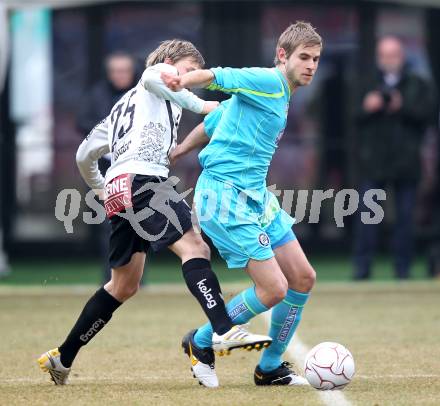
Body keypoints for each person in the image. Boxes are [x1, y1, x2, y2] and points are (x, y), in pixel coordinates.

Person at [38, 39, 271, 386]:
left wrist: (102, 189)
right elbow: (155, 76)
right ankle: (223, 329)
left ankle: (62, 356)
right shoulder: (157, 74)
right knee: (195, 247)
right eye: (189, 70)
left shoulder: (121, 108)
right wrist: (207, 106)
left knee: (123, 285)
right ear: (168, 61)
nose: (189, 78)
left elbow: (84, 154)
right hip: (143, 178)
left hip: (120, 187)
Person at [162, 22, 321, 387]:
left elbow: (216, 119)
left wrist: (181, 150)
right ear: (282, 56)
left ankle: (269, 368)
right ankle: (201, 342)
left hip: (255, 196)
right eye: (303, 57)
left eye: (315, 59)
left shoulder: (274, 95)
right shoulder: (268, 81)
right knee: (274, 289)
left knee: (302, 277)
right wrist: (184, 82)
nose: (311, 65)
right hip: (225, 197)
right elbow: (220, 76)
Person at [353, 36, 435, 280]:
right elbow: (351, 116)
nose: (389, 60)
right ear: (379, 58)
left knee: (406, 219)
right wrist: (367, 107)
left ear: (402, 57)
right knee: (368, 219)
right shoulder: (366, 83)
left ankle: (403, 270)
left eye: (394, 55)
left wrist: (403, 106)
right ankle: (362, 269)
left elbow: (429, 115)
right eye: (384, 56)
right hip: (373, 164)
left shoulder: (418, 85)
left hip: (406, 163)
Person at [77, 51, 138, 283]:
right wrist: (106, 139)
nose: (120, 75)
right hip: (106, 168)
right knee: (110, 223)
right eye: (116, 71)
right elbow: (81, 122)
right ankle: (111, 277)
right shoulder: (97, 95)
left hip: (136, 168)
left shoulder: (142, 95)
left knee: (139, 221)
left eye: (125, 70)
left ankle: (137, 278)